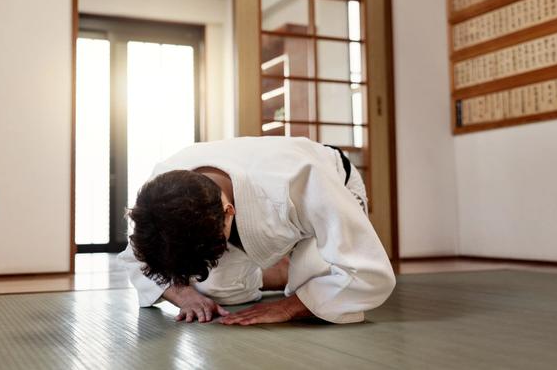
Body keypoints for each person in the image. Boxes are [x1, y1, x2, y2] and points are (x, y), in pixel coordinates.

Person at [118, 136, 395, 325]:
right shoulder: (160, 195)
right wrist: (184, 293)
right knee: (216, 290)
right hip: (257, 201)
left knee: (314, 286)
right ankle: (283, 265)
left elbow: (371, 275)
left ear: (228, 213)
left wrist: (290, 307)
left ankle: (300, 260)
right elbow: (140, 258)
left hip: (334, 178)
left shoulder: (302, 178)